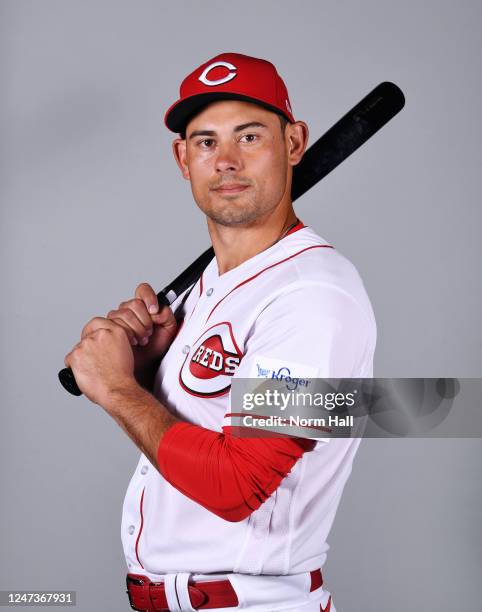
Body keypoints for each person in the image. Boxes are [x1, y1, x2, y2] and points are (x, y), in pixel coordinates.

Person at [64, 52, 377, 612]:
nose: (226, 161)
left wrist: (117, 391)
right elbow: (206, 431)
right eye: (206, 142)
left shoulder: (314, 295)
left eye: (250, 136)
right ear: (183, 158)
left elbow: (237, 487)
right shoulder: (217, 283)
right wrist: (153, 376)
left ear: (295, 143)